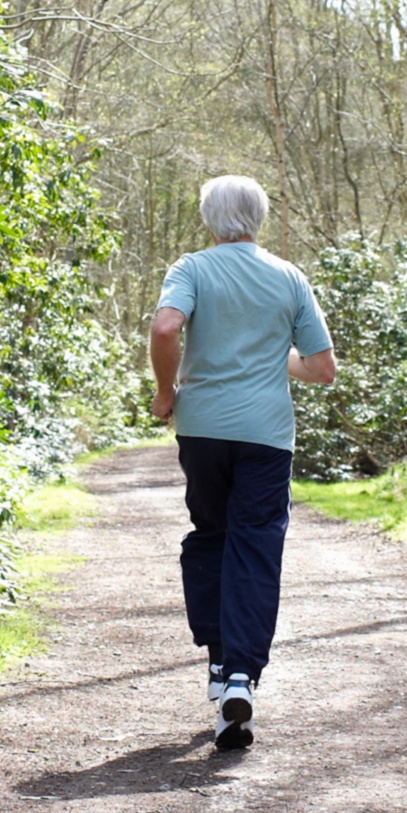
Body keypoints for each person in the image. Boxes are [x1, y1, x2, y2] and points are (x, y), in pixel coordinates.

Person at [150, 175, 337, 750]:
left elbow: (164, 327)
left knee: (210, 536)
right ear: (259, 217)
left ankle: (217, 662)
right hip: (266, 436)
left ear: (210, 218)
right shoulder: (289, 277)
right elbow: (323, 368)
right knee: (255, 544)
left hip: (203, 429)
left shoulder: (192, 268)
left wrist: (164, 393)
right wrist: (272, 361)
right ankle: (240, 677)